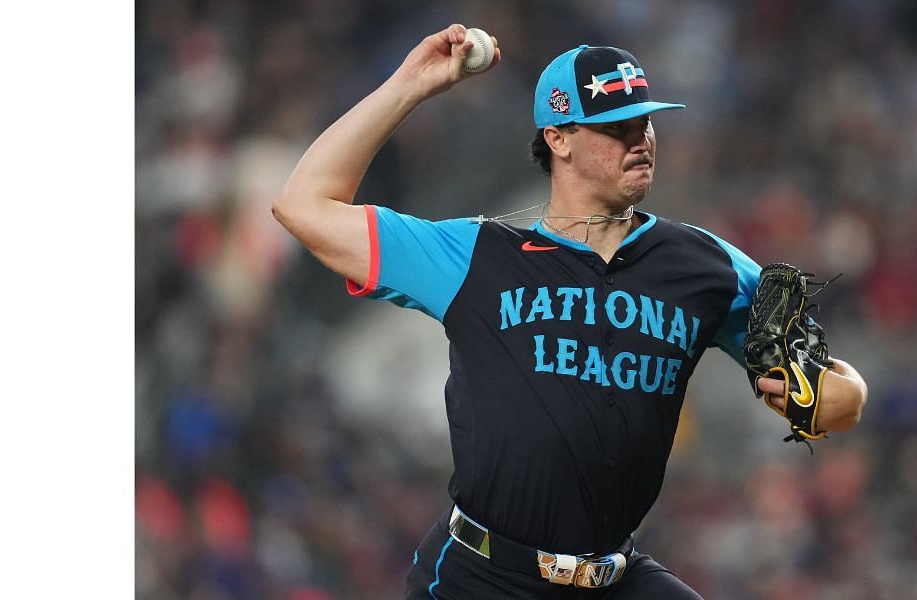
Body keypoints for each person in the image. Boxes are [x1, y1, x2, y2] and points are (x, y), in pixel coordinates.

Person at [272, 23, 868, 599]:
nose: (641, 138)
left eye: (646, 120)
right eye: (617, 126)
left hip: (614, 577)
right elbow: (304, 204)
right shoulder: (474, 256)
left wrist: (826, 400)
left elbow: (841, 394)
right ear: (558, 138)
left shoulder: (707, 267)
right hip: (482, 579)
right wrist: (409, 86)